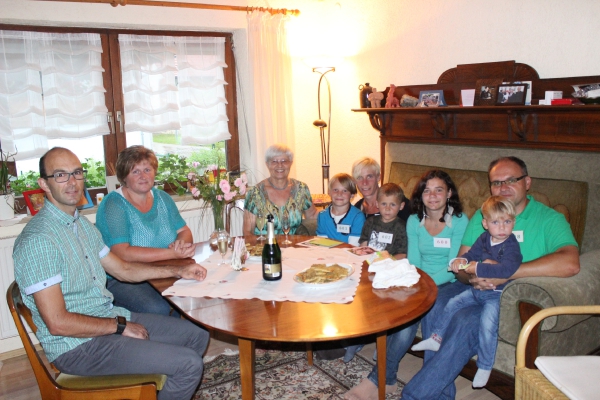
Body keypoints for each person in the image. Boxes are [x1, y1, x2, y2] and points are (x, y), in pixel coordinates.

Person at [13, 147, 210, 400]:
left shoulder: (80, 225)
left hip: (105, 317)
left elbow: (122, 269)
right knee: (189, 364)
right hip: (77, 346)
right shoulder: (39, 240)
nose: (72, 182)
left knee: (197, 335)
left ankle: (156, 389)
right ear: (44, 184)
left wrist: (178, 269)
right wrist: (119, 326)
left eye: (77, 173)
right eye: (61, 175)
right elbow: (58, 322)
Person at [400, 156, 580, 400]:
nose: (503, 187)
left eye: (511, 180)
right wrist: (472, 276)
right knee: (436, 301)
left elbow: (570, 263)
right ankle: (440, 394)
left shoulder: (549, 219)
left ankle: (415, 395)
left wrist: (502, 273)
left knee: (465, 320)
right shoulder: (483, 215)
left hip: (510, 294)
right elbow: (462, 264)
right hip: (476, 285)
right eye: (496, 183)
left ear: (527, 182)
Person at [345, 169, 468, 400]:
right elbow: (415, 262)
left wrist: (423, 285)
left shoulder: (459, 221)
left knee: (410, 315)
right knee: (403, 317)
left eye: (439, 190)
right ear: (420, 195)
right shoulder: (414, 220)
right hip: (417, 277)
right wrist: (416, 284)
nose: (432, 196)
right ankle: (388, 379)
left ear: (449, 193)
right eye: (427, 191)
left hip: (448, 282)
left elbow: (453, 264)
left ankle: (377, 379)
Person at [412, 195, 522, 387]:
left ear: (513, 222)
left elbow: (508, 269)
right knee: (453, 303)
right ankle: (436, 338)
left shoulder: (511, 244)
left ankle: (485, 366)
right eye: (496, 222)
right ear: (485, 224)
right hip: (477, 290)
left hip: (496, 294)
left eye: (507, 221)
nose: (502, 227)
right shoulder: (484, 238)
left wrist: (477, 267)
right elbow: (471, 254)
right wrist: (461, 260)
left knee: (488, 324)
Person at [96, 145, 195, 317]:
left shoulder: (163, 198)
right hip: (124, 277)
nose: (143, 176)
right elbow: (122, 253)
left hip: (165, 269)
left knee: (195, 292)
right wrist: (171, 253)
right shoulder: (113, 204)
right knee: (157, 307)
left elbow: (184, 231)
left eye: (147, 170)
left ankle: (186, 332)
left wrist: (181, 244)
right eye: (135, 171)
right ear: (124, 177)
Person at [243, 143, 317, 235]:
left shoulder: (301, 189)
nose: (280, 165)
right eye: (274, 161)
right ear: (267, 164)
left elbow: (312, 216)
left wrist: (333, 211)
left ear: (290, 163)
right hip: (265, 243)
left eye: (284, 161)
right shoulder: (255, 193)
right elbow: (247, 231)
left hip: (295, 243)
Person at [352, 157, 411, 222]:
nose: (364, 183)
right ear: (355, 181)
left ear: (378, 177)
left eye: (369, 176)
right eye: (359, 177)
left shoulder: (397, 200)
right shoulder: (356, 210)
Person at [358, 183, 407, 259]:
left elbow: (402, 254)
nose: (387, 208)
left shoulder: (401, 227)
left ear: (401, 206)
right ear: (377, 204)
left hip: (389, 263)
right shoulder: (370, 222)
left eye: (393, 205)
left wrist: (385, 262)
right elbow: (363, 243)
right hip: (368, 260)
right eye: (384, 204)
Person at [316, 173, 366, 245]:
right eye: (335, 190)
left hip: (349, 251)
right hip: (327, 251)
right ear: (329, 192)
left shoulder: (357, 217)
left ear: (352, 195)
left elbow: (353, 246)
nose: (339, 194)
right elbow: (322, 243)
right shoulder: (322, 216)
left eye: (345, 191)